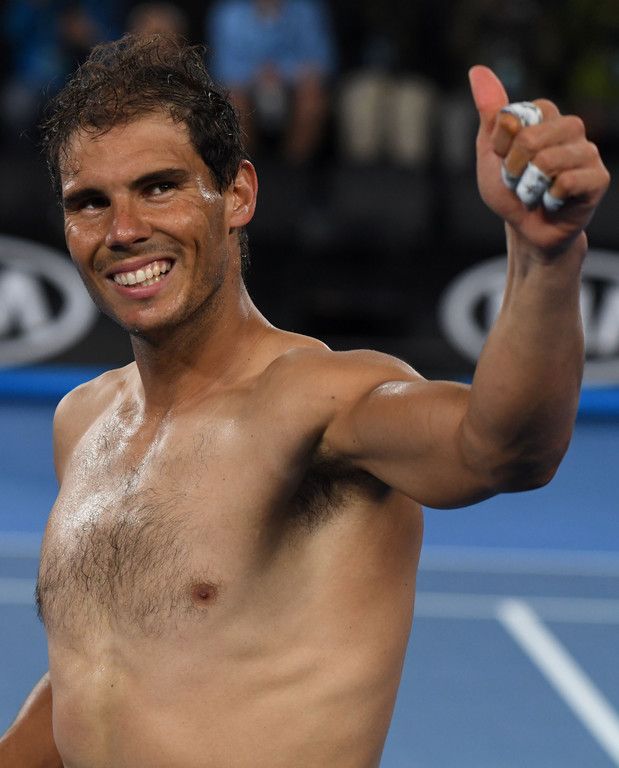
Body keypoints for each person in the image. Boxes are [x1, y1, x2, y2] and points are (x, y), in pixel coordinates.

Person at [0, 33, 609, 768]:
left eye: (159, 187)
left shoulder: (321, 401)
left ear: (238, 195)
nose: (124, 231)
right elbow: (101, 669)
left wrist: (545, 257)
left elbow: (503, 448)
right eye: (90, 203)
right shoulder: (84, 420)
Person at [207, 0, 335, 164]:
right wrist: (257, 75)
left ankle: (294, 169)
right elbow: (223, 68)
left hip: (293, 87)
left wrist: (281, 73)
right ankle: (242, 168)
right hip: (246, 88)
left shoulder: (306, 11)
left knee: (312, 98)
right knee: (232, 100)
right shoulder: (228, 14)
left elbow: (321, 61)